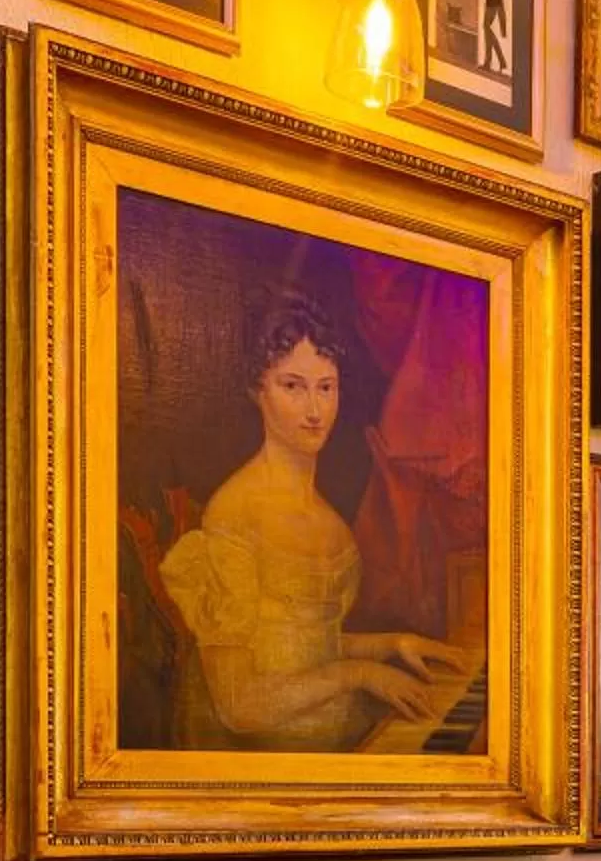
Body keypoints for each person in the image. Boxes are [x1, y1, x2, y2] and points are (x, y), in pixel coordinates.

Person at [158, 295, 471, 751]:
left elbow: (299, 648)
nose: (314, 410)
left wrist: (389, 644)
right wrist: (362, 673)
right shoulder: (235, 513)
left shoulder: (330, 520)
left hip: (326, 734)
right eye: (293, 386)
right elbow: (238, 704)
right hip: (257, 760)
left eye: (326, 387)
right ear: (257, 390)